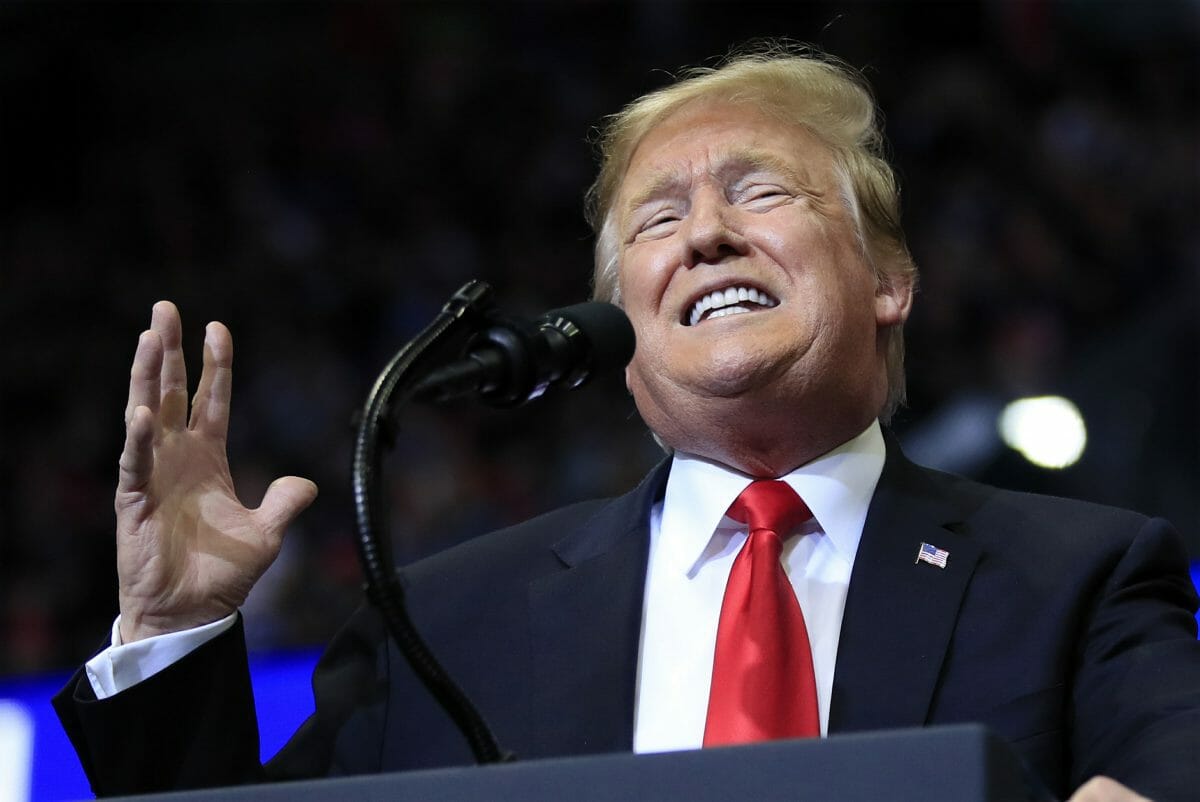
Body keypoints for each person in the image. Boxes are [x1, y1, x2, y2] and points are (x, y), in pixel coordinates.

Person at [54, 45, 1198, 801]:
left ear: (890, 278)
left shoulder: (1080, 578)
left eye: (759, 191)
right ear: (617, 319)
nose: (705, 234)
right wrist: (172, 629)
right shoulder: (450, 619)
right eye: (659, 216)